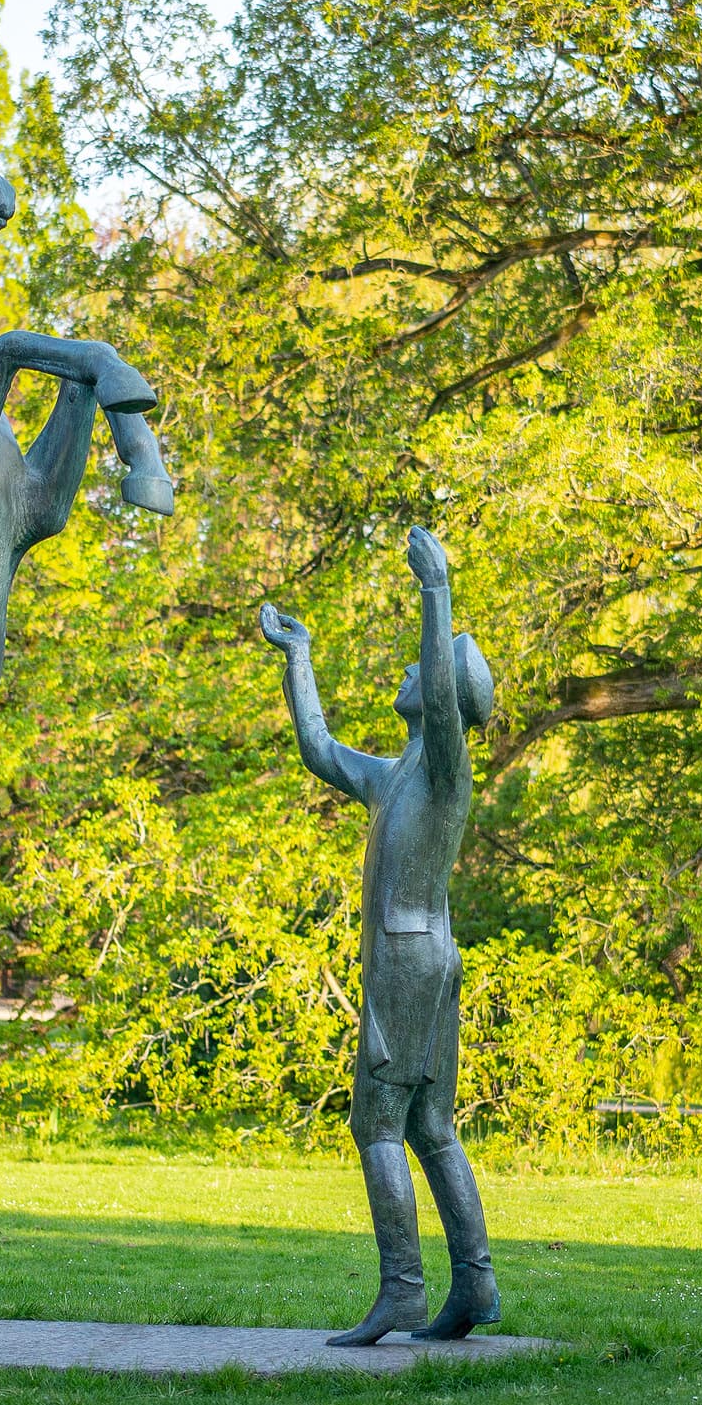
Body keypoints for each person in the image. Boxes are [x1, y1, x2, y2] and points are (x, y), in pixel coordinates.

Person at [258, 525, 501, 1344]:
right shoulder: (395, 775)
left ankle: (402, 1289)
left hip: (407, 958)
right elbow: (318, 749)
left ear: (445, 697)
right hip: (426, 956)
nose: (407, 671)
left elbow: (439, 690)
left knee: (378, 1127)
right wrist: (299, 657)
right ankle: (475, 1285)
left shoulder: (444, 767)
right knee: (430, 1128)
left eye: (422, 667)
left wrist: (436, 591)